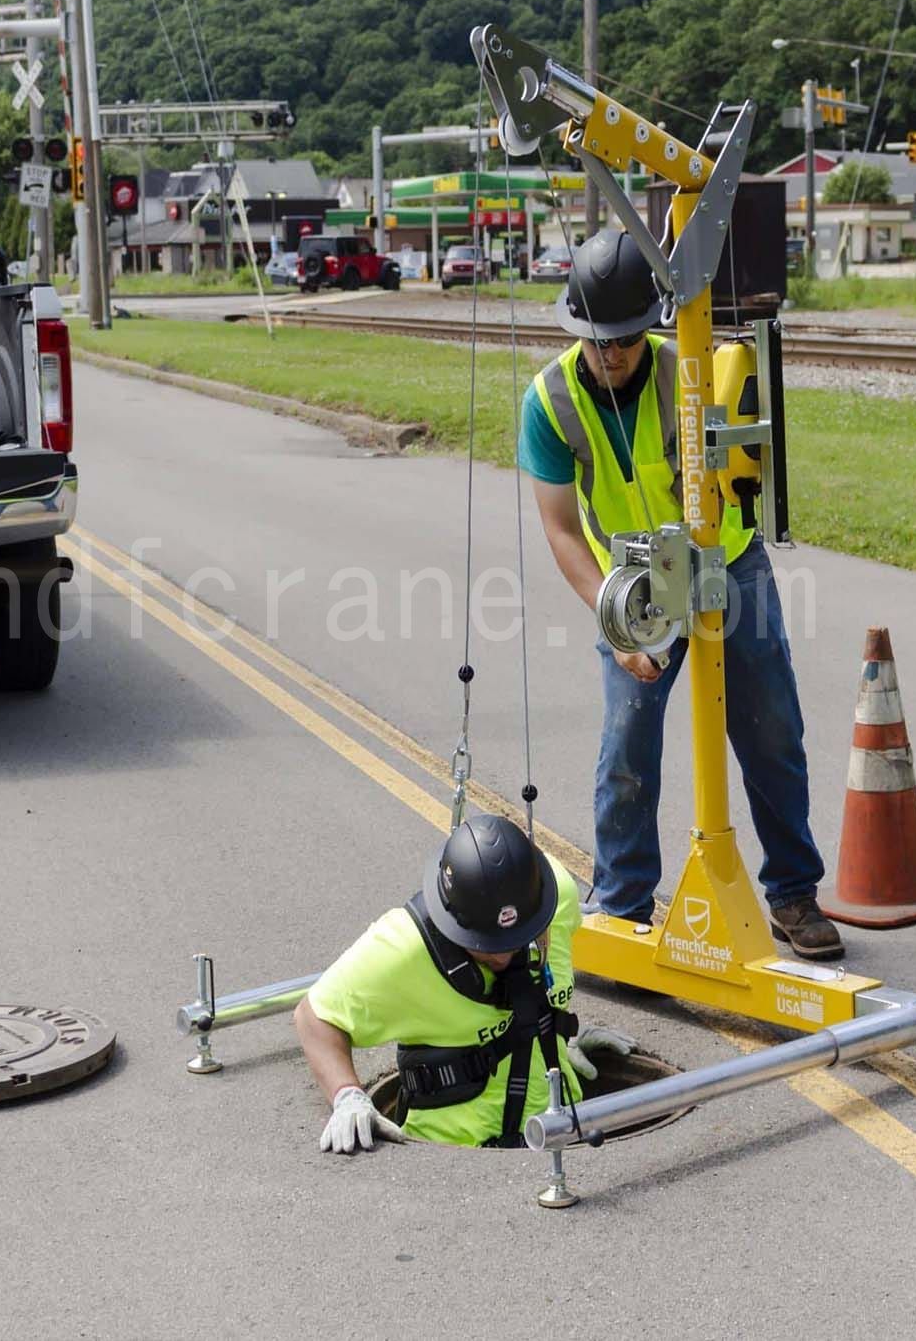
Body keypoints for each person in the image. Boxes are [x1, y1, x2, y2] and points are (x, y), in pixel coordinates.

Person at [517, 229, 842, 961]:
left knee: (770, 730)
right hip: (632, 586)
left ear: (647, 327)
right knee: (627, 745)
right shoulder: (550, 402)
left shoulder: (688, 372)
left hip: (730, 564)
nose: (614, 354)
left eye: (627, 338)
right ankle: (623, 904)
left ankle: (792, 894)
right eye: (601, 340)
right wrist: (618, 619)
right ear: (579, 330)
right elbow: (563, 530)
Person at [294, 814, 635, 1152]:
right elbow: (314, 1017)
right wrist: (347, 1096)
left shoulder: (555, 895)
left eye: (517, 939)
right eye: (486, 945)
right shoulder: (406, 947)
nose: (502, 957)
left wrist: (560, 1034)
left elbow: (542, 988)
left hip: (560, 1131)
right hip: (453, 1159)